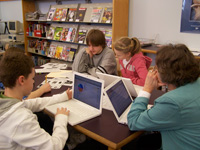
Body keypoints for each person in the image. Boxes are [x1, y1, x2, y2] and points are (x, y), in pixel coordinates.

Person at [127, 44, 200, 150]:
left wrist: (147, 89)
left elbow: (133, 122)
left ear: (165, 73)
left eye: (156, 67)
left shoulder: (172, 102)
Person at [0, 50, 72, 150]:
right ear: (21, 80)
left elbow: (35, 103)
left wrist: (63, 96)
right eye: (32, 78)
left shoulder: (7, 102)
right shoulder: (21, 119)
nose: (34, 81)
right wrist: (60, 118)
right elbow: (54, 147)